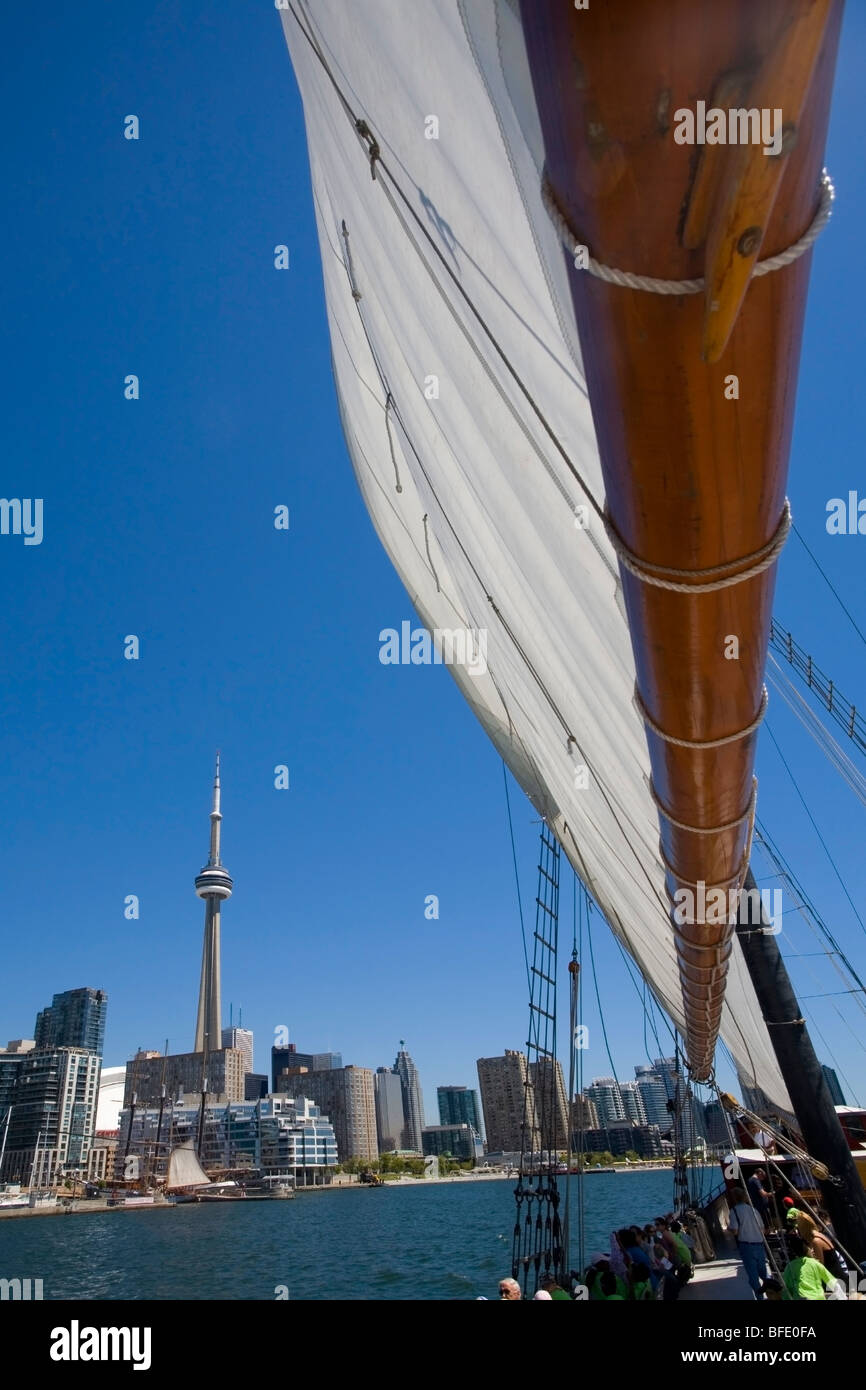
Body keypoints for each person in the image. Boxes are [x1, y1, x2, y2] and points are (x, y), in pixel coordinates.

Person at [728, 1186, 768, 1299]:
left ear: (734, 1199)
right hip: (759, 1245)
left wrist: (728, 1229)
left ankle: (760, 1298)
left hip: (747, 1246)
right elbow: (762, 1229)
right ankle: (772, 1294)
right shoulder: (753, 1210)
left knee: (753, 1277)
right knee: (764, 1274)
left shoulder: (734, 1211)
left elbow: (735, 1231)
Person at [782, 1233, 836, 1301]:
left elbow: (786, 1290)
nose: (812, 1250)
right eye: (810, 1248)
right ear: (806, 1249)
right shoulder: (815, 1263)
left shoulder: (789, 1267)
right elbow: (832, 1282)